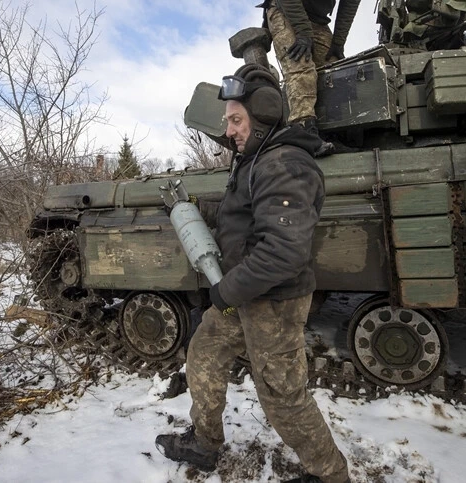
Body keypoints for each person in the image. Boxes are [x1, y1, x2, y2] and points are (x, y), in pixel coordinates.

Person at [155, 63, 350, 483]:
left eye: (236, 119)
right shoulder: (256, 158)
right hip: (245, 294)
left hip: (272, 303)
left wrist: (225, 292)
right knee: (204, 352)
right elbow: (245, 219)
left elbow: (282, 251)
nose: (229, 130)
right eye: (228, 120)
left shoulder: (285, 164)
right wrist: (192, 213)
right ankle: (205, 444)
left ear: (262, 116)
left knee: (282, 396)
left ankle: (331, 475)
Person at [262, 0, 361, 156]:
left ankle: (332, 135)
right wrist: (303, 33)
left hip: (317, 19)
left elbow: (349, 6)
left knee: (335, 71)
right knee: (301, 63)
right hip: (286, 10)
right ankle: (303, 130)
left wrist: (338, 43)